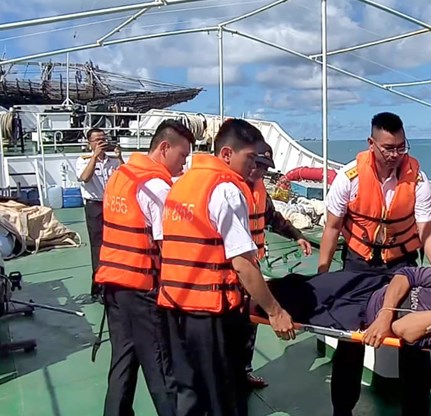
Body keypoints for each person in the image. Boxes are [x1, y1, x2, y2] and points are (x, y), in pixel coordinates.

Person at [157, 119, 295, 416]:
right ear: (227, 154)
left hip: (173, 307)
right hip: (209, 313)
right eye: (250, 158)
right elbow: (243, 264)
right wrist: (275, 311)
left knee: (190, 392)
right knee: (224, 394)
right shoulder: (227, 191)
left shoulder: (181, 185)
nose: (253, 167)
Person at [317, 112, 431, 416]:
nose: (395, 155)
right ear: (371, 144)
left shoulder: (418, 180)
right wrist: (324, 276)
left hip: (401, 264)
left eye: (401, 147)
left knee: (413, 337)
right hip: (358, 264)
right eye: (388, 148)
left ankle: (416, 412)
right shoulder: (348, 177)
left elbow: (427, 234)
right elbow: (333, 227)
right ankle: (342, 411)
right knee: (350, 339)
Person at [95, 119, 194, 416]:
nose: (184, 165)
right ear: (164, 148)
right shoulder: (157, 187)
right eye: (182, 156)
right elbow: (168, 246)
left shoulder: (120, 175)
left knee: (123, 363)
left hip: (113, 286)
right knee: (160, 365)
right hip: (142, 289)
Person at [256, 267, 431, 353]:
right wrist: (387, 312)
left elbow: (402, 330)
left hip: (358, 316)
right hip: (371, 285)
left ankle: (244, 289)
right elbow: (404, 275)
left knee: (281, 308)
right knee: (300, 287)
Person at [244, 143, 313, 388]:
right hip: (229, 271)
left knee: (249, 321)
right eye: (258, 165)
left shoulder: (260, 190)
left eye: (264, 168)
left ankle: (244, 371)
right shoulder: (229, 190)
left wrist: (297, 235)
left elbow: (273, 218)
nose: (260, 171)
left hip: (251, 266)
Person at [77, 127, 124, 302]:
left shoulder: (112, 162)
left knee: (114, 245)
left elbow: (125, 176)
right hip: (94, 206)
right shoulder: (83, 161)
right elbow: (85, 178)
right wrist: (95, 157)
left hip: (112, 205)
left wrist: (119, 157)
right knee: (98, 248)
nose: (101, 142)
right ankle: (98, 287)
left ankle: (112, 284)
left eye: (103, 139)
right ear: (90, 143)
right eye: (97, 140)